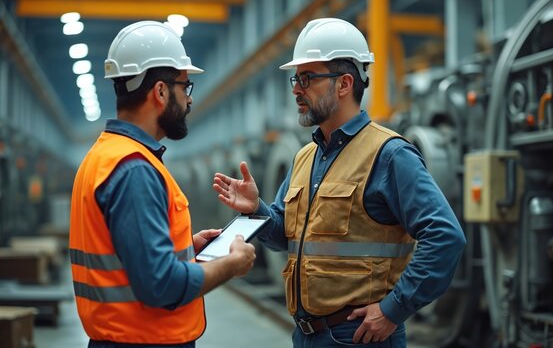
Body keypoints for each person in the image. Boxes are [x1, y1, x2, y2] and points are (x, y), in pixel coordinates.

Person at [213, 18, 466, 347]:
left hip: (359, 336)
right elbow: (284, 238)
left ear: (345, 84)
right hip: (306, 335)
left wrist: (393, 310)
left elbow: (445, 237)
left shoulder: (389, 155)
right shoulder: (306, 157)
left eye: (307, 78)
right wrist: (256, 210)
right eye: (296, 78)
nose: (295, 89)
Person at [69, 21, 256, 348]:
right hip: (142, 341)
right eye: (186, 87)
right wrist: (230, 265)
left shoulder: (106, 155)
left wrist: (188, 249)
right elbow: (161, 286)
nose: (189, 100)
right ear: (159, 92)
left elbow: (131, 257)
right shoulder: (133, 170)